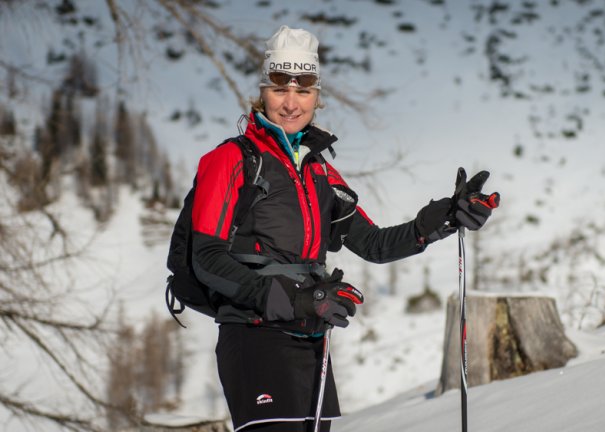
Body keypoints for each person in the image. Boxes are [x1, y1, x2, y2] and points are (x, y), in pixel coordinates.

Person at [189, 25, 499, 432]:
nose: (291, 102)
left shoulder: (319, 172)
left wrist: (444, 218)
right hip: (254, 338)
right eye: (280, 87)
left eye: (304, 89)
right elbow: (206, 259)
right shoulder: (230, 160)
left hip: (314, 341)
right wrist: (296, 298)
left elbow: (373, 244)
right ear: (263, 90)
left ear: (317, 96)